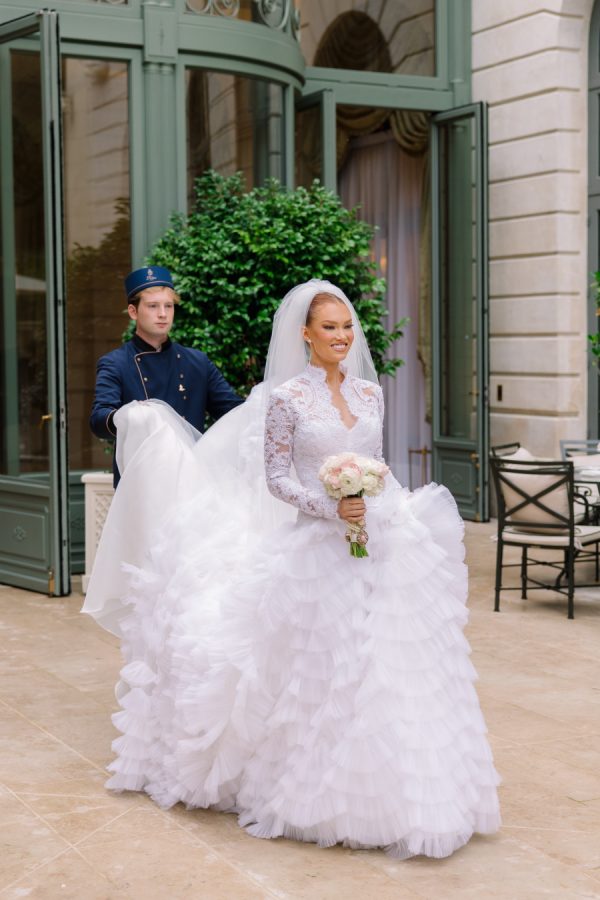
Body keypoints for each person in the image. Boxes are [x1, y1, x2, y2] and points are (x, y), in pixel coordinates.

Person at [83, 279, 501, 859]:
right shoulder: (287, 399)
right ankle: (318, 794)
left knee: (390, 662)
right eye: (330, 327)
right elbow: (277, 478)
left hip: (381, 540)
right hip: (315, 550)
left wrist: (384, 504)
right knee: (323, 670)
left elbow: (378, 463)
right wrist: (330, 506)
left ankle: (410, 793)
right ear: (306, 334)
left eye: (347, 327)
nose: (342, 336)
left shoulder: (370, 393)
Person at [90, 265, 243, 486]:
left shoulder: (197, 362)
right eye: (153, 306)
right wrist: (130, 417)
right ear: (133, 311)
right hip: (140, 485)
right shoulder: (116, 363)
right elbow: (99, 420)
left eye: (168, 306)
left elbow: (234, 412)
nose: (163, 314)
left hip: (192, 480)